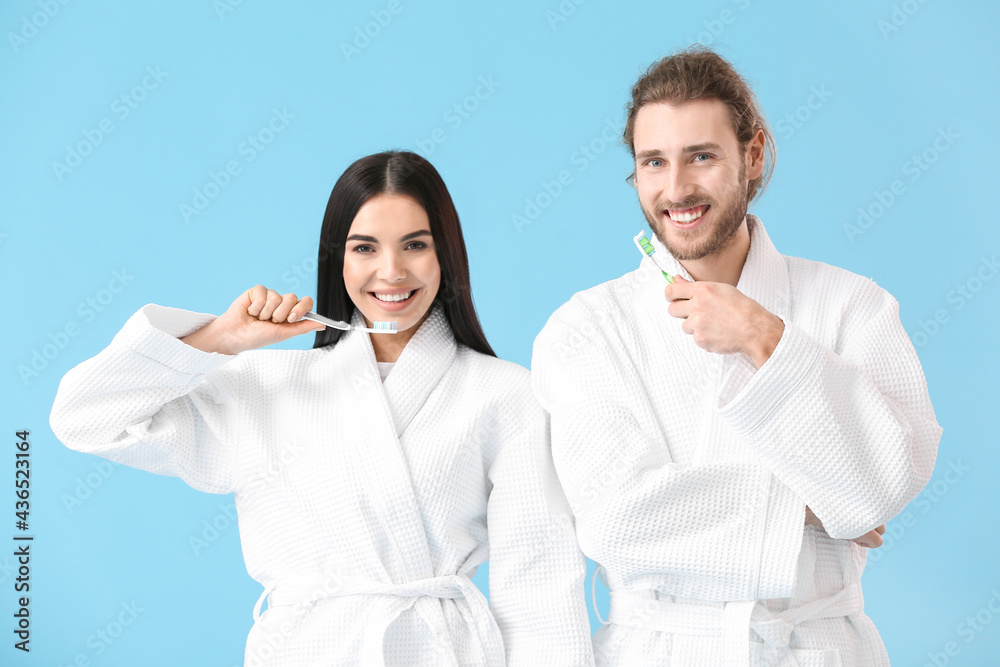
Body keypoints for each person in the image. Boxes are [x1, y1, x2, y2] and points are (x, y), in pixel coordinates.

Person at [51, 151, 594, 666]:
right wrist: (218, 339)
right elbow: (86, 418)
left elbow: (539, 583)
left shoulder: (504, 394)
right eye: (364, 248)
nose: (391, 271)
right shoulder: (267, 387)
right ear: (337, 260)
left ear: (446, 254)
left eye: (415, 245)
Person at [531, 47, 941, 666]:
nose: (676, 189)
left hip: (818, 645)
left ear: (751, 156)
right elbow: (615, 518)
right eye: (653, 163)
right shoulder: (586, 329)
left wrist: (765, 337)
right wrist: (812, 507)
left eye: (701, 156)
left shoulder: (853, 305)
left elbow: (883, 482)